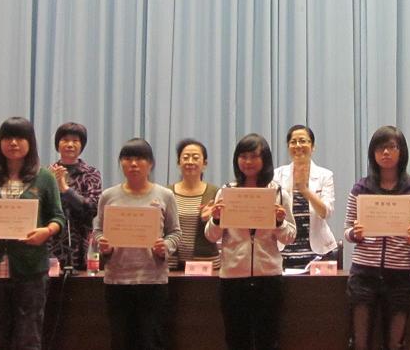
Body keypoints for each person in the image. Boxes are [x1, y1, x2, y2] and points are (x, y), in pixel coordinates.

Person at [0, 117, 65, 350]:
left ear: (30, 142)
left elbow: (58, 217)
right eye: (7, 137)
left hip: (30, 269)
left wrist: (46, 231)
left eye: (20, 137)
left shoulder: (44, 177)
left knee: (28, 337)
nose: (13, 143)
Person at [206, 133, 296, 350]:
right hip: (233, 279)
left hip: (268, 279)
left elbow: (290, 236)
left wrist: (279, 222)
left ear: (265, 159)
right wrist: (216, 219)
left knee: (268, 340)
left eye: (254, 156)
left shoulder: (278, 193)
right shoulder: (226, 192)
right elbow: (211, 235)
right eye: (243, 156)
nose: (248, 162)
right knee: (236, 340)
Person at [345, 125, 410, 350]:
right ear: (372, 153)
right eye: (380, 148)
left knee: (395, 343)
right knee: (359, 342)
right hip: (364, 274)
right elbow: (347, 228)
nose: (385, 153)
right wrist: (355, 233)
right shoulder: (361, 187)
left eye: (392, 147)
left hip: (400, 275)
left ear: (402, 151)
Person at [94, 138, 181, 350]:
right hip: (117, 281)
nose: (133, 164)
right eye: (127, 158)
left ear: (150, 164)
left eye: (140, 159)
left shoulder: (165, 195)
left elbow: (175, 232)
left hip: (153, 280)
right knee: (120, 341)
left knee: (150, 341)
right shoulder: (108, 196)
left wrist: (165, 246)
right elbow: (97, 231)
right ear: (121, 163)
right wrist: (103, 244)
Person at [273, 125, 339, 270]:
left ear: (313, 146)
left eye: (303, 141)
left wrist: (304, 190)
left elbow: (326, 212)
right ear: (288, 147)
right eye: (293, 142)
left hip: (318, 253)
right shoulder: (277, 175)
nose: (298, 146)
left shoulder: (325, 175)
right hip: (284, 251)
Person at [48, 121, 102, 271]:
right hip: (52, 246)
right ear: (57, 144)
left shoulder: (91, 173)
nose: (70, 144)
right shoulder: (47, 173)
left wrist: (65, 189)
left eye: (75, 141)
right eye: (65, 140)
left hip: (82, 245)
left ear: (81, 145)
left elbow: (92, 208)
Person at [168, 138, 220, 270]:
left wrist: (211, 220)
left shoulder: (215, 193)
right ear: (178, 162)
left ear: (205, 163)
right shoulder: (167, 193)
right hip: (171, 263)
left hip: (205, 265)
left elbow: (222, 232)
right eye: (185, 157)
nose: (190, 162)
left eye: (195, 158)